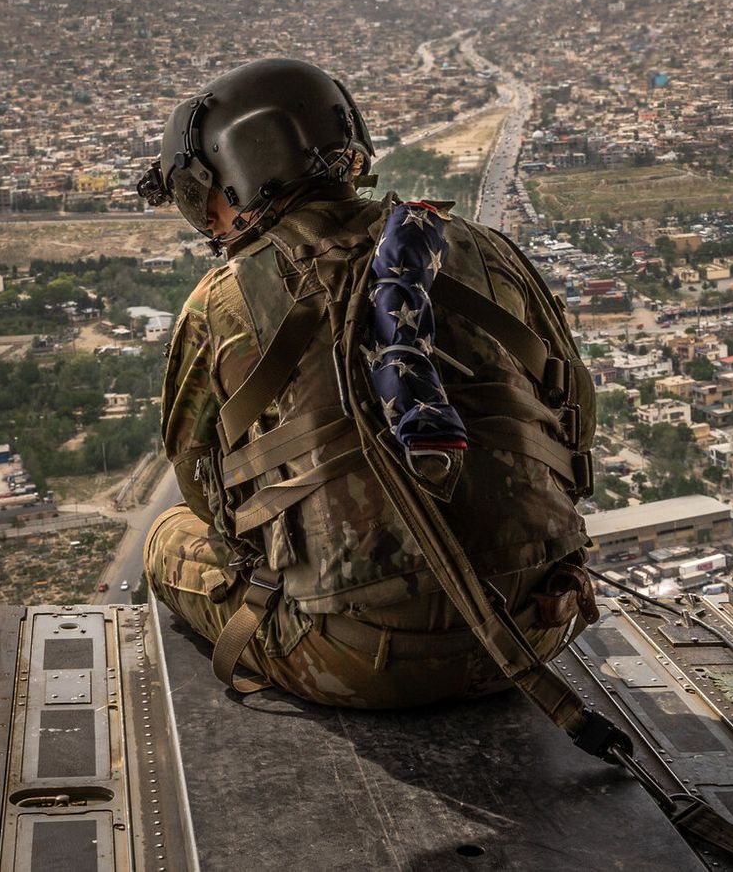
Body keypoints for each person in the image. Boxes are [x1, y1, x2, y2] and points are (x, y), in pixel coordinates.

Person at [137, 57, 598, 707]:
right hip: (537, 625)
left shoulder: (222, 302)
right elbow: (576, 418)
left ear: (238, 173)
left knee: (166, 536)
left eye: (202, 192)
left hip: (352, 658)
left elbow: (205, 493)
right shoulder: (484, 248)